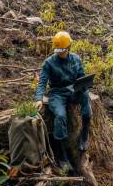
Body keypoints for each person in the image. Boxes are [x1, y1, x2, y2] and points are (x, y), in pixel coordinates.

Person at [34, 31, 92, 171]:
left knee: (86, 97)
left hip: (73, 89)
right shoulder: (49, 63)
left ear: (68, 48)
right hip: (57, 93)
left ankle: (84, 135)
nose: (60, 53)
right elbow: (42, 82)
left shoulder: (76, 59)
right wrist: (39, 98)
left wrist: (85, 84)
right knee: (60, 116)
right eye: (58, 50)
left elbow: (82, 76)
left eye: (63, 50)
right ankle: (62, 155)